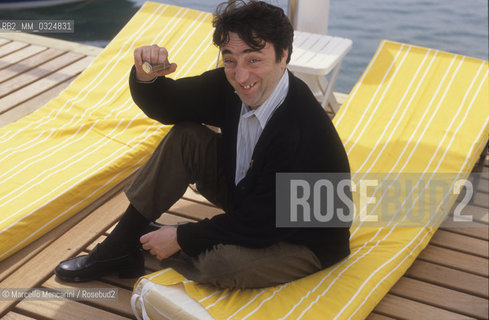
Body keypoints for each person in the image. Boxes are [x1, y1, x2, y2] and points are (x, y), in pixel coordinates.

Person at [55, 0, 351, 289]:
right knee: (186, 137)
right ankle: (121, 244)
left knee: (220, 265)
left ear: (283, 55)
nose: (241, 76)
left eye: (254, 59)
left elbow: (265, 223)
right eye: (230, 60)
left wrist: (183, 236)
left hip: (304, 237)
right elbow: (172, 106)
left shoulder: (300, 128)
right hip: (251, 198)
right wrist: (147, 77)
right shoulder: (231, 85)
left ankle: (157, 243)